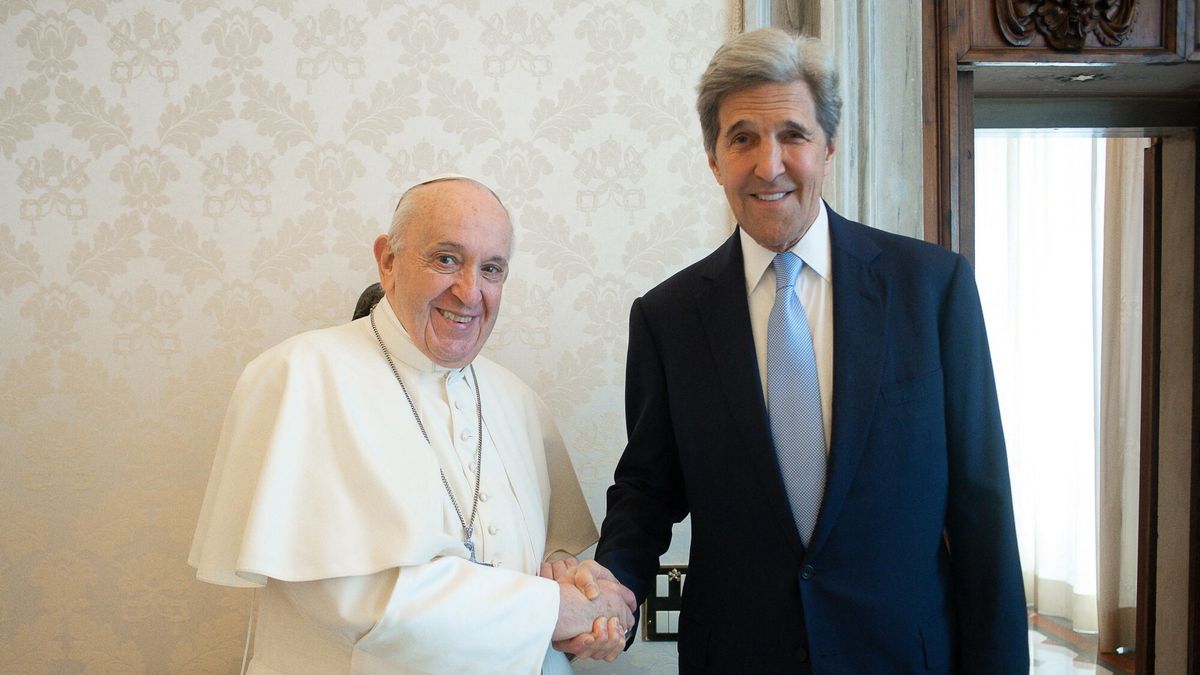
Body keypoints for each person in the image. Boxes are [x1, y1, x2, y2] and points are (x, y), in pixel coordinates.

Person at [580, 29, 1029, 673]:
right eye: (742, 139)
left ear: (829, 147)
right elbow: (648, 489)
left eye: (792, 134)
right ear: (713, 159)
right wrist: (610, 596)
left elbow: (982, 505)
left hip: (903, 658)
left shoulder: (932, 290)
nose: (769, 165)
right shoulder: (667, 317)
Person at [189, 175, 634, 674]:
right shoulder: (301, 374)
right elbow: (347, 599)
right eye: (447, 259)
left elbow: (548, 559)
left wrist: (589, 599)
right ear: (388, 260)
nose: (469, 292)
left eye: (491, 269)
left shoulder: (520, 402)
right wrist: (554, 609)